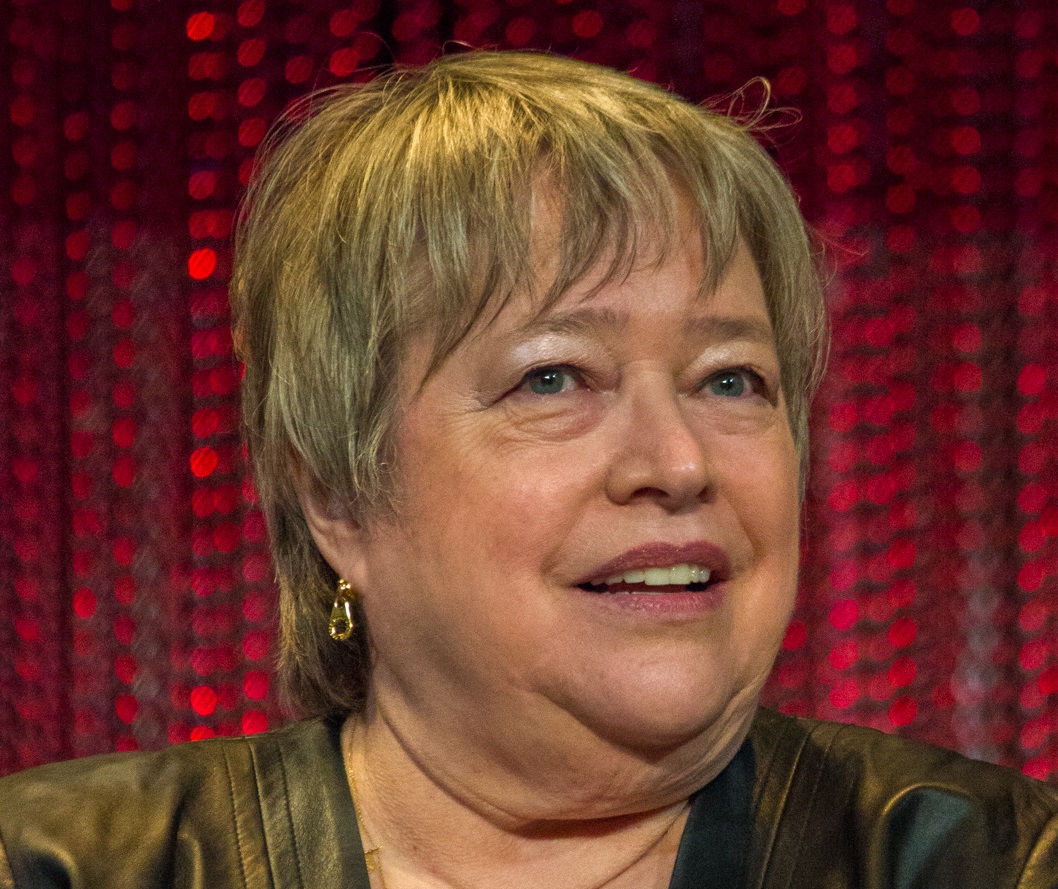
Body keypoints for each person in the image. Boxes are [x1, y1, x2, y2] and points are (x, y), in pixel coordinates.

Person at [0, 50, 1055, 889]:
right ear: (335, 490)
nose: (677, 462)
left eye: (730, 380)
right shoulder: (58, 866)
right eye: (553, 379)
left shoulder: (992, 864)